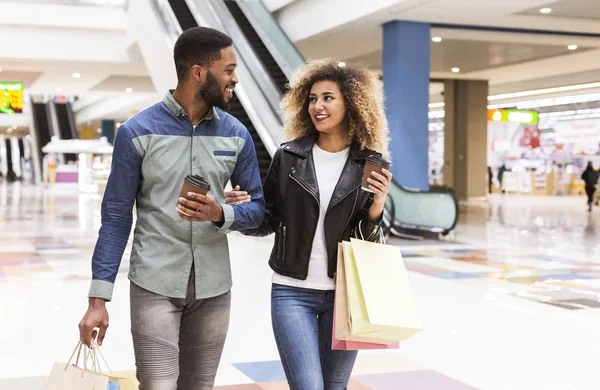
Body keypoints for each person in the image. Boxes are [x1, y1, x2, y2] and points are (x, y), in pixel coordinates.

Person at [78, 27, 265, 390]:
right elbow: (116, 218)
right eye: (228, 70)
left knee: (199, 386)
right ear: (198, 73)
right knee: (158, 385)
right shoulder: (137, 132)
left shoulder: (237, 134)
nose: (235, 79)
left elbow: (258, 210)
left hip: (214, 288)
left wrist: (220, 213)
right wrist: (98, 299)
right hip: (154, 285)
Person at [227, 59, 392, 389]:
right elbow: (268, 220)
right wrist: (241, 213)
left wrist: (376, 207)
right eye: (313, 98)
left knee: (335, 387)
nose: (318, 106)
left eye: (328, 97)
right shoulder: (289, 157)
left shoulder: (369, 163)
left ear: (353, 103)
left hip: (345, 296)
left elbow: (368, 245)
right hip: (292, 293)